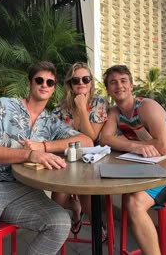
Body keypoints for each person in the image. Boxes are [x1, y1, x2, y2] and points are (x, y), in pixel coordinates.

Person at [0, 61, 93, 255]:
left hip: (21, 188)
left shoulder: (49, 122)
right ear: (30, 83)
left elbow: (87, 141)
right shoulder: (4, 105)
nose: (44, 85)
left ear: (53, 88)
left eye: (49, 82)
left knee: (59, 223)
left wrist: (44, 146)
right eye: (39, 80)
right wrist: (30, 154)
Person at [100, 64, 166, 254]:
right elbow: (106, 139)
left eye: (123, 80)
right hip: (152, 171)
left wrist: (125, 142)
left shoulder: (146, 106)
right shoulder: (114, 113)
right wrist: (135, 146)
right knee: (134, 203)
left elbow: (163, 147)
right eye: (113, 82)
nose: (119, 85)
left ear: (132, 85)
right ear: (108, 89)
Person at [52, 62, 108, 234]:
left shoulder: (98, 103)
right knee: (57, 199)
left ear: (91, 82)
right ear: (70, 84)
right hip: (68, 159)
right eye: (76, 80)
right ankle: (74, 209)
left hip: (92, 161)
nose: (81, 83)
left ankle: (98, 228)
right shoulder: (61, 109)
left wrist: (83, 108)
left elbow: (91, 137)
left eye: (86, 79)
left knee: (87, 199)